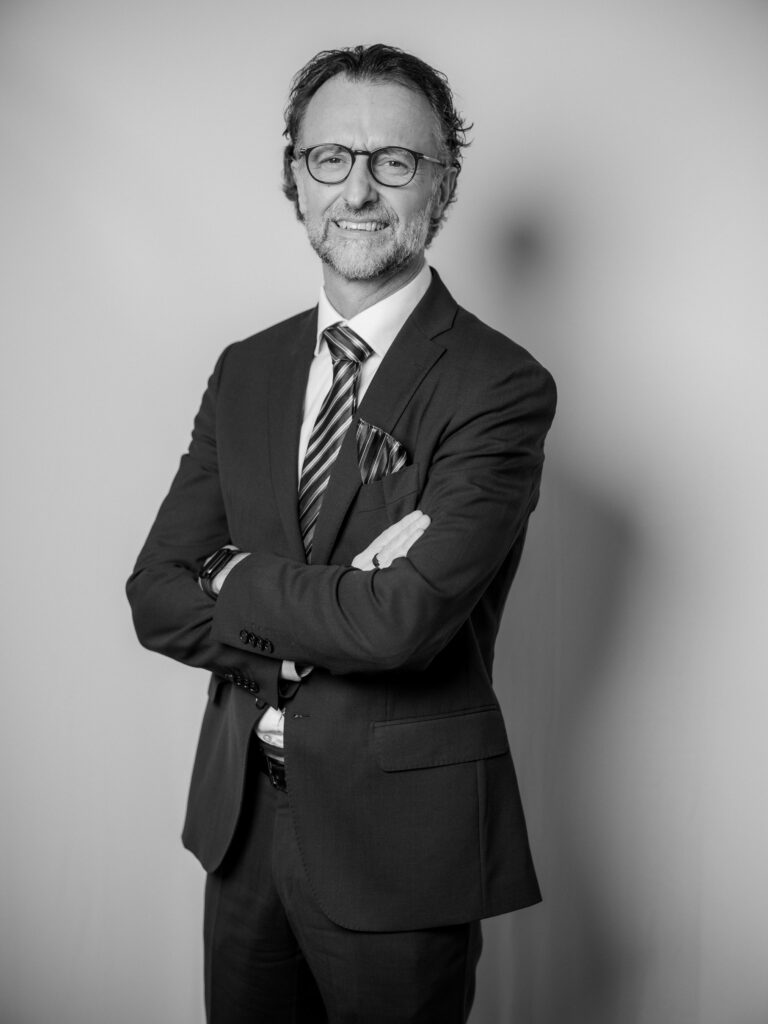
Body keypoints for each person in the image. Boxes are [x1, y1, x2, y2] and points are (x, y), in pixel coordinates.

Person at [127, 42, 556, 1024]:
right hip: (241, 824)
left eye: (393, 161)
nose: (357, 190)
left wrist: (229, 573)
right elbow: (154, 593)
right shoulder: (247, 370)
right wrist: (329, 609)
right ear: (296, 176)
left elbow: (401, 624)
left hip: (397, 842)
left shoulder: (498, 386)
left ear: (442, 184)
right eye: (330, 157)